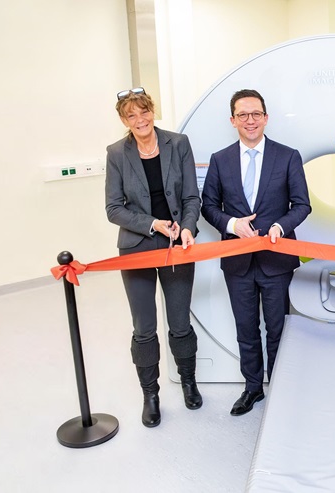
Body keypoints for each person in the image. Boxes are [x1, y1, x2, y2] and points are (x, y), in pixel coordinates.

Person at [201, 89, 311, 416]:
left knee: (278, 329)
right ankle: (252, 388)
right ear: (232, 120)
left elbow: (302, 205)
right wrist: (232, 224)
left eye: (256, 114)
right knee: (246, 330)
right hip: (237, 261)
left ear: (266, 118)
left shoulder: (287, 156)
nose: (250, 120)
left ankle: (279, 387)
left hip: (277, 260)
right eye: (243, 115)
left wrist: (279, 227)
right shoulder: (220, 160)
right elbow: (208, 206)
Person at [105, 87, 202, 427]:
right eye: (131, 115)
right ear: (124, 120)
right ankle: (151, 395)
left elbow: (191, 197)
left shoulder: (179, 143)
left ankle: (188, 382)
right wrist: (152, 223)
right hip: (137, 247)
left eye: (144, 111)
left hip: (177, 244)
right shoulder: (116, 153)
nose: (140, 119)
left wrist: (187, 227)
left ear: (152, 111)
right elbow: (113, 208)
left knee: (180, 322)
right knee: (144, 327)